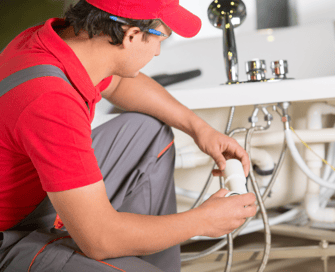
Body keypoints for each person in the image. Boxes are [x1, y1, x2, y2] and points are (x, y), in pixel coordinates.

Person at [0, 0, 257, 271]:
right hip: (11, 238)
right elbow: (99, 239)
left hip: (35, 201)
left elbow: (121, 83)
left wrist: (199, 129)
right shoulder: (50, 101)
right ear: (131, 35)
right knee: (104, 239)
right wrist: (201, 221)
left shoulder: (55, 44)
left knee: (147, 132)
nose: (158, 51)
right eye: (161, 37)